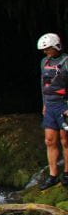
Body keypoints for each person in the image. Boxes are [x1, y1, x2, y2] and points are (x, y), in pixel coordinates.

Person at [37, 33, 68, 190]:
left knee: (65, 140)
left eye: (47, 49)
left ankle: (67, 174)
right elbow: (44, 84)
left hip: (63, 105)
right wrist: (44, 104)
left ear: (56, 46)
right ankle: (53, 175)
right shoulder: (44, 62)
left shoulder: (66, 61)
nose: (45, 52)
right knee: (50, 140)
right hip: (50, 105)